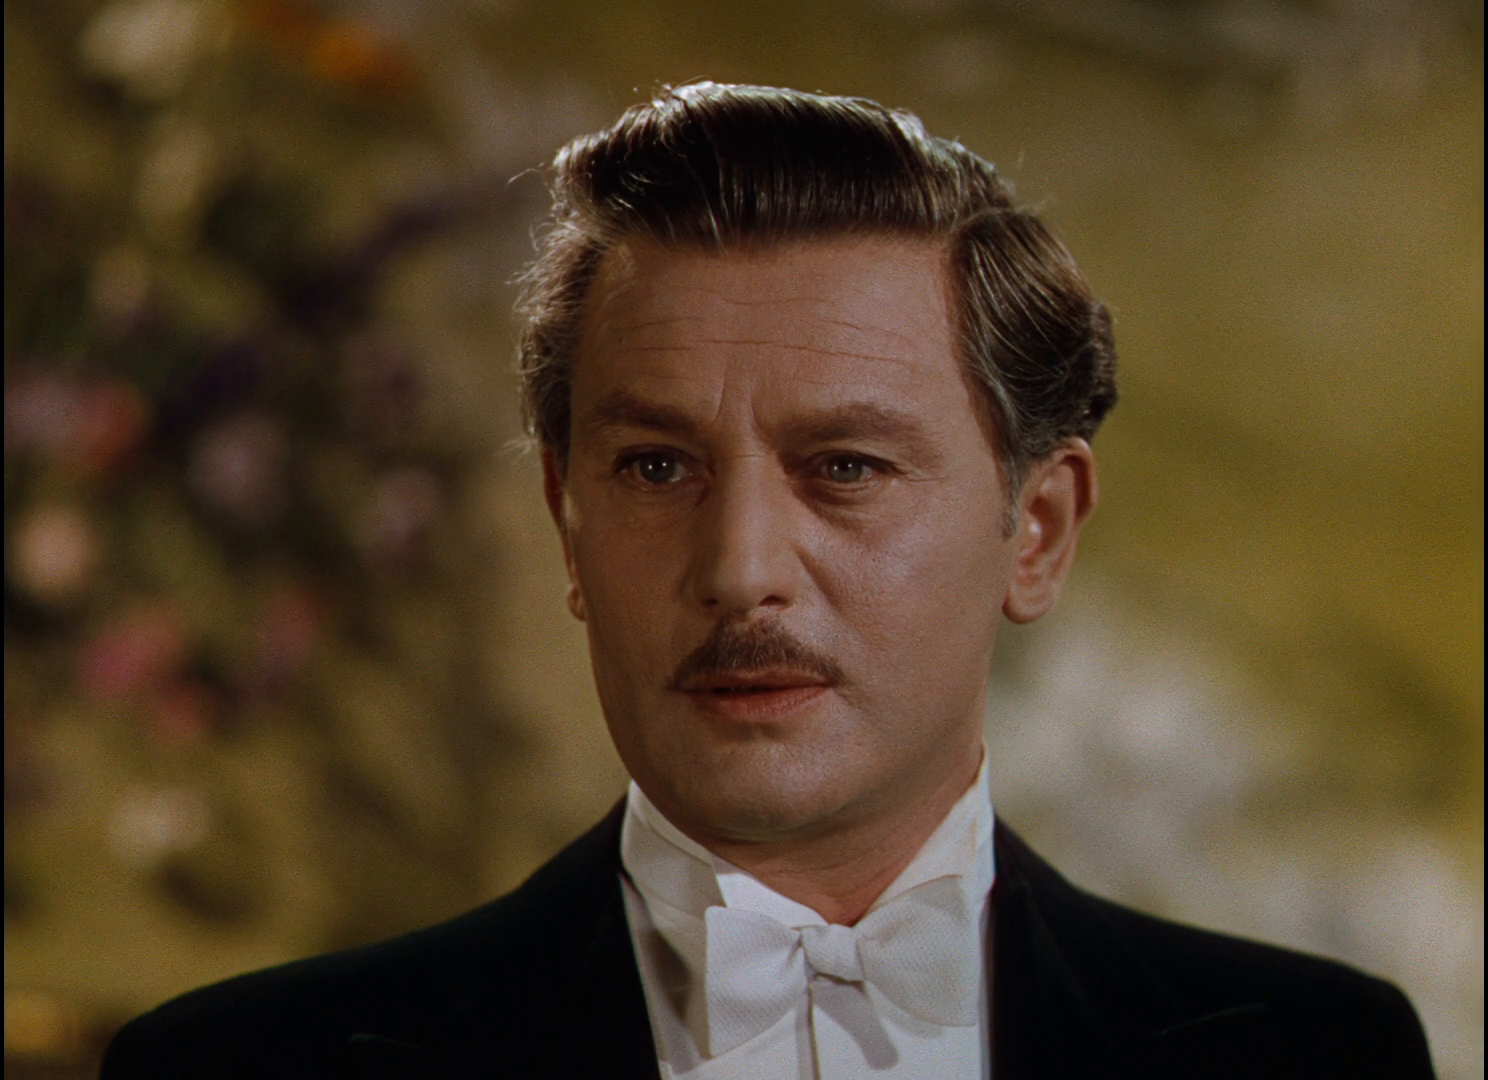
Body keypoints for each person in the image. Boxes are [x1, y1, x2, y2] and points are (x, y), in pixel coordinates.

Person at [101, 82, 1434, 1080]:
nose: (739, 573)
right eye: (656, 468)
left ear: (1035, 530)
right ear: (568, 523)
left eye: (845, 467)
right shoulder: (233, 1069)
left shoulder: (1321, 1054)